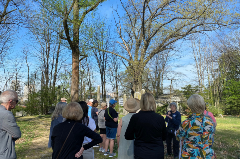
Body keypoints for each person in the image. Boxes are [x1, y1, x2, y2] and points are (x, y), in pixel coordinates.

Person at [125, 93, 167, 159]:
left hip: (141, 152)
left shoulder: (135, 118)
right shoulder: (160, 118)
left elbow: (128, 136)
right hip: (157, 152)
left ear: (141, 103)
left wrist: (138, 134)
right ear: (153, 103)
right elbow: (164, 137)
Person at [176, 94, 215, 158]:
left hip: (190, 156)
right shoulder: (209, 122)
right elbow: (210, 137)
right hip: (207, 155)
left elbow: (179, 137)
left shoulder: (186, 123)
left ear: (191, 107)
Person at [0, 90, 21, 159]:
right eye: (17, 101)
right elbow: (17, 134)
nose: (17, 103)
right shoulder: (7, 114)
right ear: (11, 101)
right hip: (5, 154)